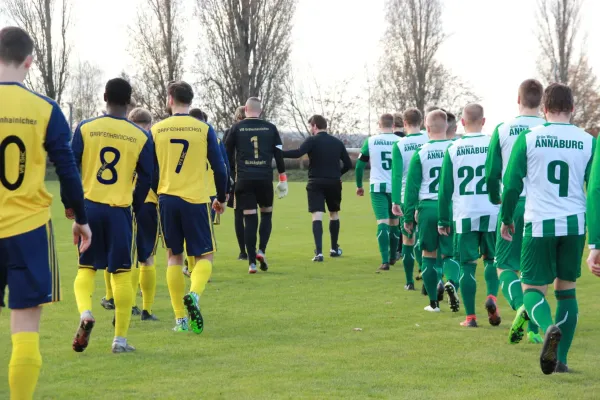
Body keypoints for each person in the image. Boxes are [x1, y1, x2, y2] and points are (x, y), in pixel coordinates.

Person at [0, 26, 91, 399]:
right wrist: (80, 218)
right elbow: (67, 170)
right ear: (29, 62)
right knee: (25, 327)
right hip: (28, 230)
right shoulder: (45, 108)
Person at [500, 83, 595, 374]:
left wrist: (506, 218)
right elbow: (595, 190)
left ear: (544, 109)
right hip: (575, 225)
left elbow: (512, 183)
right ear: (573, 109)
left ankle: (546, 325)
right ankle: (561, 360)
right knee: (566, 292)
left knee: (532, 288)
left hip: (539, 224)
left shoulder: (529, 138)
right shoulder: (589, 141)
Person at [70, 78, 154, 353]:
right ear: (129, 101)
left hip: (90, 207)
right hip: (119, 210)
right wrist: (135, 203)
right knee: (121, 274)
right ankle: (119, 340)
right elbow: (149, 175)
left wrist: (72, 206)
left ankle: (85, 313)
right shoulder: (141, 135)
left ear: (104, 96)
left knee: (86, 268)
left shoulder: (86, 128)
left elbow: (70, 168)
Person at [153, 81, 227, 333]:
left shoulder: (157, 129)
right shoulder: (204, 128)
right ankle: (194, 294)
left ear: (171, 99)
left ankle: (180, 320)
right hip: (196, 200)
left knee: (174, 256)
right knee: (204, 255)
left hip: (167, 198)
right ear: (190, 100)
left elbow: (150, 169)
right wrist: (222, 197)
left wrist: (157, 192)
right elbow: (219, 167)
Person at [485, 79, 546, 344]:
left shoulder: (503, 129)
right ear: (541, 101)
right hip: (544, 208)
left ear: (518, 100)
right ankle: (533, 328)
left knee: (504, 265)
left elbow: (491, 174)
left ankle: (521, 305)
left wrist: (496, 199)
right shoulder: (547, 128)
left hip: (515, 203)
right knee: (535, 274)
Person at [438, 103, 500, 328]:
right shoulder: (494, 143)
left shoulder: (454, 148)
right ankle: (492, 297)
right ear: (484, 121)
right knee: (492, 259)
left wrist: (443, 220)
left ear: (462, 123)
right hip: (492, 209)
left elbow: (445, 189)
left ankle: (471, 317)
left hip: (465, 212)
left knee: (467, 265)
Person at [403, 110, 459, 312]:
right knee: (450, 255)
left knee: (428, 254)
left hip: (427, 207)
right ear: (447, 127)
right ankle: (452, 283)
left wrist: (408, 216)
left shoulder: (421, 152)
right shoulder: (455, 148)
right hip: (452, 207)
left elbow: (412, 188)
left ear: (427, 128)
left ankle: (433, 303)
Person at [225, 97, 288, 274]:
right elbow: (279, 154)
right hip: (264, 178)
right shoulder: (270, 128)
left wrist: (229, 175)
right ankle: (261, 250)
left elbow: (226, 152)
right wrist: (283, 178)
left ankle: (251, 263)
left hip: (244, 179)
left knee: (249, 218)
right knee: (266, 214)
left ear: (245, 109)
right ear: (261, 110)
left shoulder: (236, 128)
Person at [283, 115, 351, 261]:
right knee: (334, 214)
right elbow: (348, 164)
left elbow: (297, 153)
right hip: (333, 182)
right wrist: (337, 174)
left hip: (315, 182)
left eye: (310, 126)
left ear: (314, 126)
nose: (310, 130)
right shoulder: (337, 142)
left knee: (317, 215)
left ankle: (319, 253)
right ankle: (334, 248)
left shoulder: (312, 140)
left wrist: (278, 152)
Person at [182, 108, 230, 277]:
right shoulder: (215, 139)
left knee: (190, 231)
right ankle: (197, 268)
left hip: (193, 190)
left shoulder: (187, 137)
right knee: (205, 232)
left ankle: (194, 268)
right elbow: (225, 167)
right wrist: (226, 191)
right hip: (211, 190)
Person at [356, 114, 401, 270]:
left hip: (377, 187)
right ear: (393, 125)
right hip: (396, 188)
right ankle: (394, 255)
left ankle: (384, 261)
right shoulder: (400, 141)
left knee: (382, 222)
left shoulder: (371, 141)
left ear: (379, 124)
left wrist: (359, 185)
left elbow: (359, 166)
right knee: (395, 223)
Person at [128, 107, 160, 321]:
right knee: (146, 257)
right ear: (149, 124)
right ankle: (147, 309)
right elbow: (156, 174)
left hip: (122, 203)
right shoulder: (151, 142)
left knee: (125, 257)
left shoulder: (124, 139)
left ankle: (127, 303)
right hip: (147, 202)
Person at [391, 108, 429, 290]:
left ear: (404, 124)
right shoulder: (429, 139)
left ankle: (409, 282)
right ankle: (426, 271)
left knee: (408, 239)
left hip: (407, 197)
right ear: (421, 122)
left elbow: (397, 176)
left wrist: (395, 201)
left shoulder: (400, 144)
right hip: (427, 196)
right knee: (426, 239)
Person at [224, 106, 248, 260]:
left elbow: (225, 155)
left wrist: (229, 174)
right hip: (253, 176)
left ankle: (243, 251)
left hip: (236, 177)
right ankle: (253, 248)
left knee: (238, 214)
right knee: (252, 214)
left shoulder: (231, 131)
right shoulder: (254, 130)